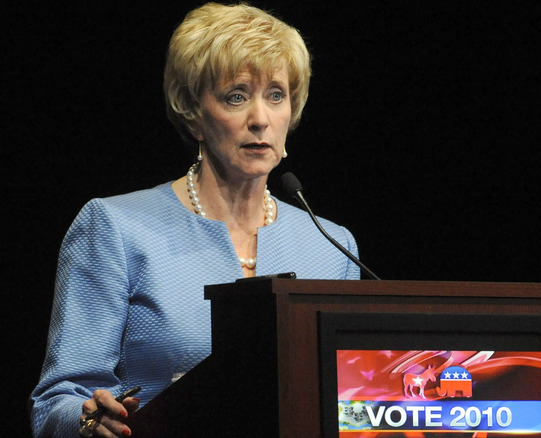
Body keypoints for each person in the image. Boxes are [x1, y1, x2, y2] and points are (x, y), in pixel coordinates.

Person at [29, 3, 361, 437]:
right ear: (192, 112)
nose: (260, 118)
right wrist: (89, 420)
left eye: (276, 95)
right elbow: (56, 402)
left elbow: (349, 397)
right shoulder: (116, 228)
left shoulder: (332, 247)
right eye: (236, 96)